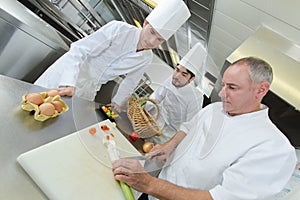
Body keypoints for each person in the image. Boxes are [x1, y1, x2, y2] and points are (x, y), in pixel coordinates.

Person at [112, 57, 297, 200]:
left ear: (260, 90)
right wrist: (170, 146)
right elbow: (188, 127)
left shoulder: (273, 148)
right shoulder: (215, 108)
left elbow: (220, 198)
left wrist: (149, 184)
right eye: (224, 85)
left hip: (154, 187)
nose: (222, 93)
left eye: (232, 87)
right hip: (156, 190)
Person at [34, 0, 191, 112]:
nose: (151, 41)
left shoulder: (146, 58)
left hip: (89, 89)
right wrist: (68, 82)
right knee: (33, 106)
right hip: (66, 77)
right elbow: (80, 49)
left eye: (159, 40)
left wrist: (117, 102)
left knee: (59, 122)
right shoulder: (118, 29)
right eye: (152, 32)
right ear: (145, 23)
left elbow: (130, 81)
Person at [145, 42, 206, 144]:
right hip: (156, 121)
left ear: (191, 79)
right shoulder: (171, 79)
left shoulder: (196, 97)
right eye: (177, 70)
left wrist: (173, 144)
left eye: (183, 74)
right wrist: (144, 112)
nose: (176, 76)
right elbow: (156, 97)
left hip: (170, 135)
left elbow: (190, 125)